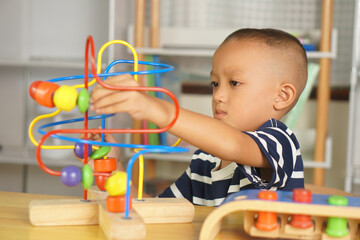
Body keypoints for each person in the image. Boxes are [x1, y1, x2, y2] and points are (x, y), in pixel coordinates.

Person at [89, 28, 307, 207]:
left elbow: (233, 145)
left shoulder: (281, 143)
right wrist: (112, 169)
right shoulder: (205, 160)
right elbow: (160, 213)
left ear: (282, 96)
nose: (218, 95)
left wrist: (154, 108)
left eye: (234, 83)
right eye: (215, 83)